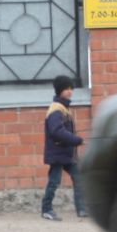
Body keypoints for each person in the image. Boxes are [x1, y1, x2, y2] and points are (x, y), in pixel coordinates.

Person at [40, 74, 85, 221]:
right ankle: (46, 209)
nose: (70, 91)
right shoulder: (56, 109)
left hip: (66, 154)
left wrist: (74, 141)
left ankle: (82, 209)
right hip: (58, 153)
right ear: (59, 90)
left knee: (78, 177)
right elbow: (57, 131)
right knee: (54, 181)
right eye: (66, 88)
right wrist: (76, 140)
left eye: (71, 88)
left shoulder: (63, 108)